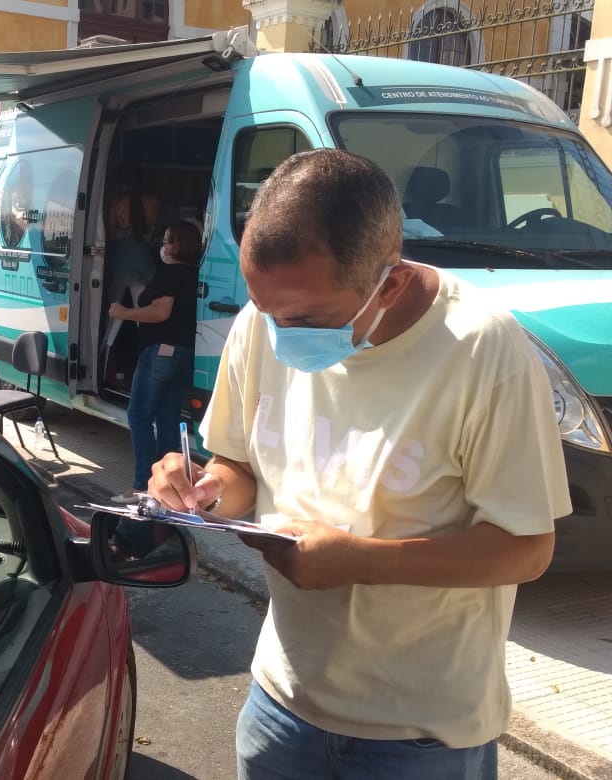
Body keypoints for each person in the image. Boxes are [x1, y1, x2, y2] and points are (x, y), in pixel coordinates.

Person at [146, 149, 571, 779]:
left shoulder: (484, 351)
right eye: (266, 311)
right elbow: (237, 466)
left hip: (421, 736)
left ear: (389, 283)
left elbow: (526, 547)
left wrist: (360, 562)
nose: (281, 334)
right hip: (280, 705)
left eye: (306, 319)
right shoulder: (263, 322)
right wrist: (203, 489)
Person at [107, 220, 201, 505]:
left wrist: (124, 312)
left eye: (169, 240)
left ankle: (142, 486)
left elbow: (161, 313)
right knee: (168, 419)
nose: (164, 246)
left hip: (159, 352)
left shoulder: (169, 274)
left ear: (181, 246)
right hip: (184, 354)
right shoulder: (195, 274)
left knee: (139, 416)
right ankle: (168, 486)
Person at [104, 162, 160, 306]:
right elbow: (154, 235)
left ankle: (111, 330)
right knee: (140, 305)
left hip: (121, 258)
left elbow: (111, 234)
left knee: (115, 306)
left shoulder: (116, 203)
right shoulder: (153, 202)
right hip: (144, 257)